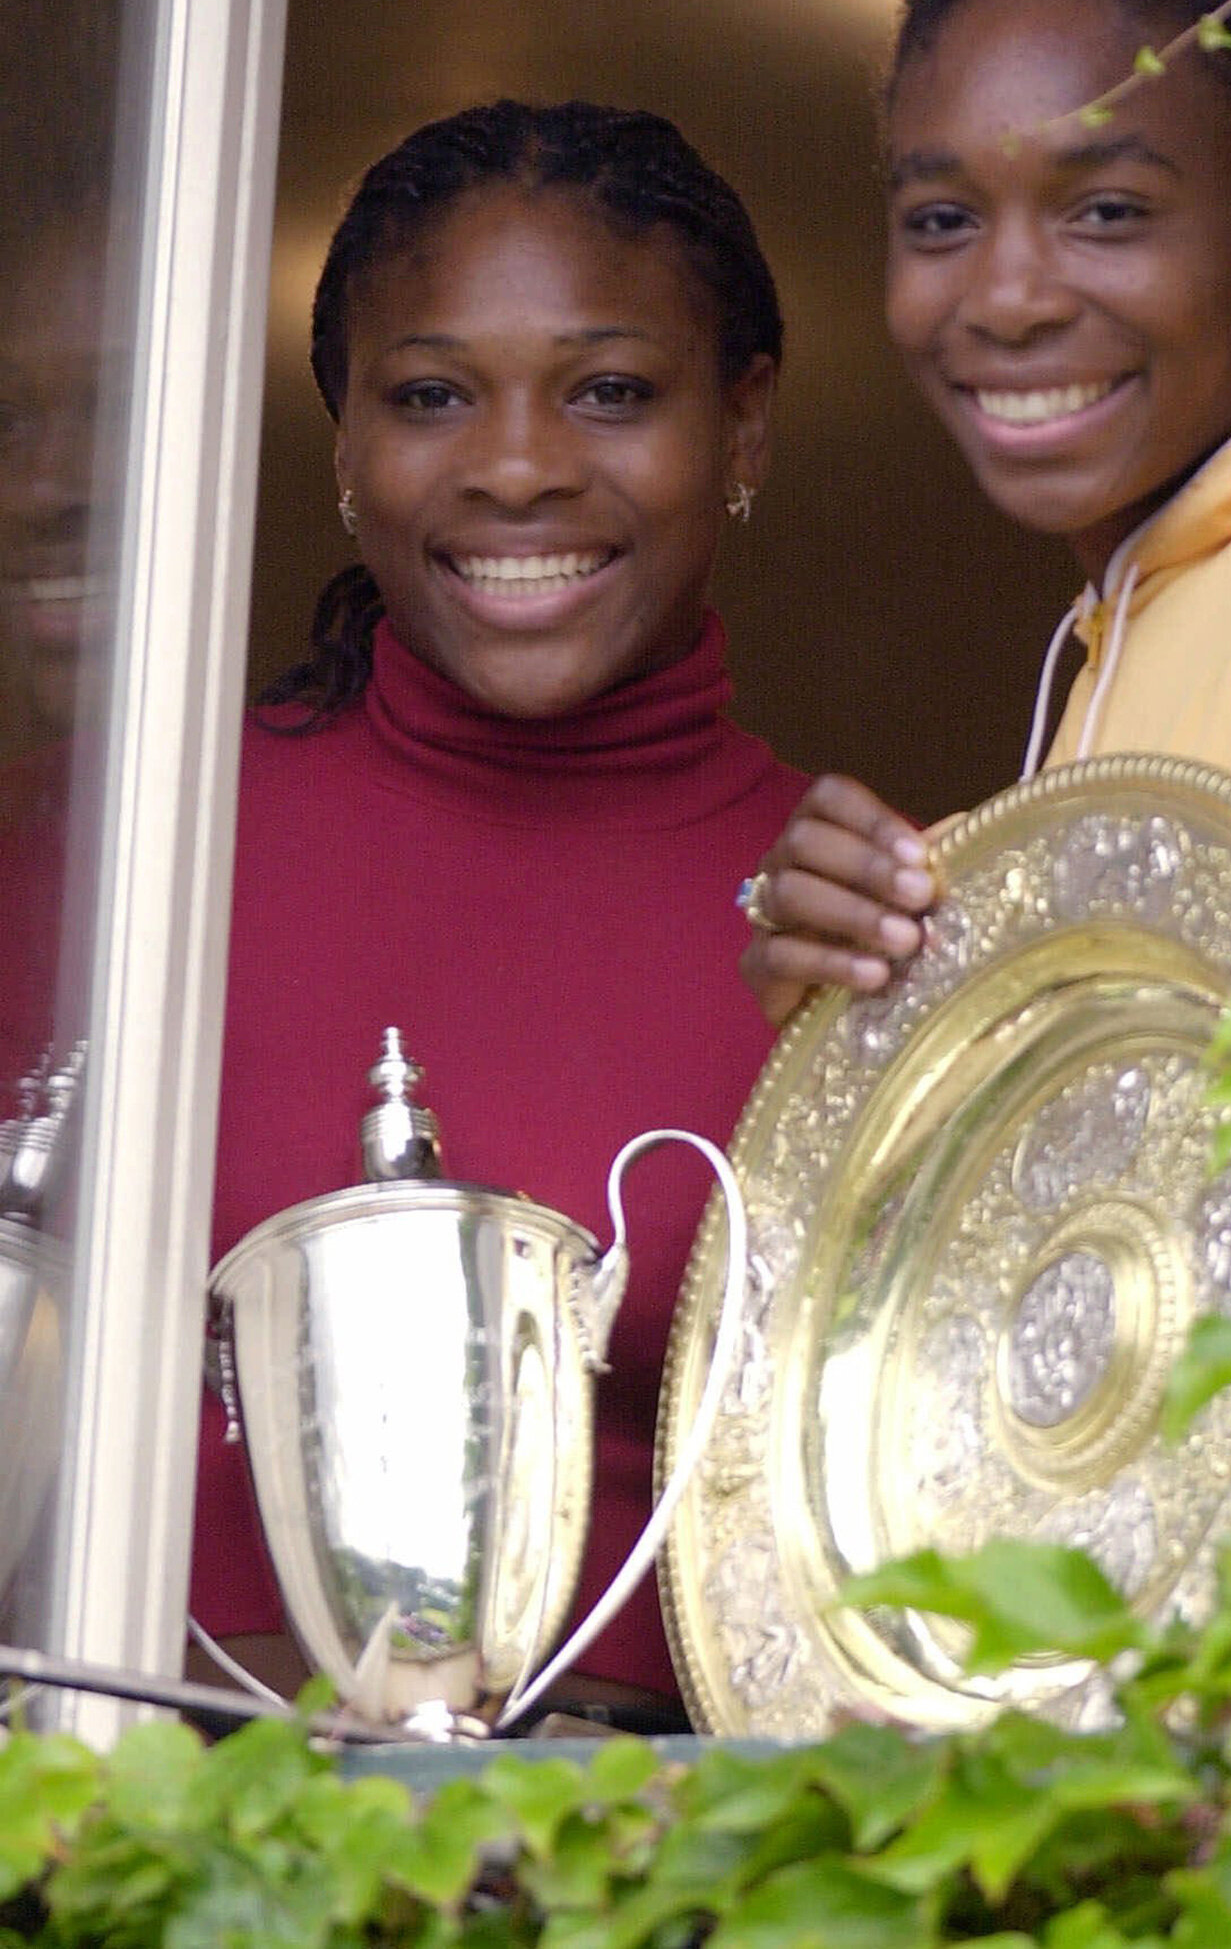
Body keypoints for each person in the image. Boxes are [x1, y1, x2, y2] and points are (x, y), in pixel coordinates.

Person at [190, 99, 809, 1725]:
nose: (520, 466)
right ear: (341, 443)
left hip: (667, 1857)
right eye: (429, 396)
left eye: (610, 392)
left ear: (745, 429)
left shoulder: (855, 917)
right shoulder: (119, 851)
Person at [739, 0, 1231, 1027]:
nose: (1006, 301)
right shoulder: (1136, 623)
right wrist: (855, 1013)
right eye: (944, 220)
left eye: (1107, 211)